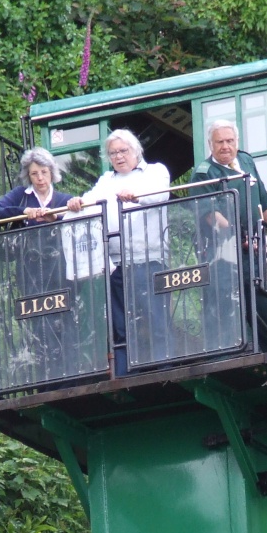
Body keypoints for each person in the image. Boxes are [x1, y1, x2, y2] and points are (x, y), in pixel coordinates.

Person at [65, 129, 172, 372]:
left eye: (123, 151)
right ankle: (124, 373)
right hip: (115, 262)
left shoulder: (155, 171)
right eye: (113, 153)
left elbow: (161, 194)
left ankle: (165, 369)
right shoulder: (106, 180)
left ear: (136, 151)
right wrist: (76, 203)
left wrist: (136, 196)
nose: (118, 156)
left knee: (155, 317)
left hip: (149, 258)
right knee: (120, 323)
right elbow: (88, 202)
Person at [188, 119, 267, 355]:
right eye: (220, 142)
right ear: (210, 144)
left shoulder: (245, 160)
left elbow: (262, 198)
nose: (225, 146)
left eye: (230, 141)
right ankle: (227, 356)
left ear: (237, 141)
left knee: (266, 305)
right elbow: (210, 214)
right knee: (228, 306)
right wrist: (238, 234)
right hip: (225, 254)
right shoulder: (204, 174)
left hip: (256, 250)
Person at [0, 148, 75, 380]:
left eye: (44, 172)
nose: (40, 178)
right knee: (36, 320)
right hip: (30, 270)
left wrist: (58, 217)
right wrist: (24, 212)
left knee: (64, 316)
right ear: (28, 176)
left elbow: (78, 221)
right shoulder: (20, 196)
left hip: (60, 270)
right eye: (35, 174)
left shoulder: (63, 199)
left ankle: (68, 372)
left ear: (52, 172)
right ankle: (45, 376)